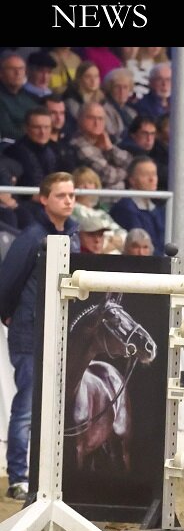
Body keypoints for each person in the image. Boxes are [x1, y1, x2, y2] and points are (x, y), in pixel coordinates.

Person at [0, 171, 78, 500]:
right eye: (61, 195)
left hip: (58, 332)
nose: (68, 201)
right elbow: (7, 281)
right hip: (30, 332)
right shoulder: (32, 238)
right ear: (44, 199)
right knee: (27, 406)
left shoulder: (72, 236)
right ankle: (18, 476)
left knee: (56, 406)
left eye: (71, 195)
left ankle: (44, 475)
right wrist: (10, 315)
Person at [110, 157, 168, 255]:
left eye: (154, 174)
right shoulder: (125, 208)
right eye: (146, 175)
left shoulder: (157, 209)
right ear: (132, 180)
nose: (152, 179)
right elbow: (138, 243)